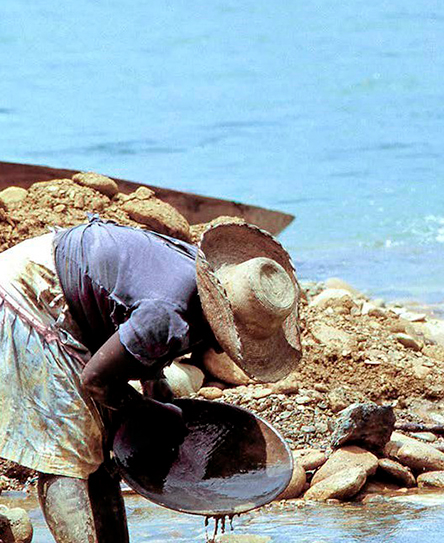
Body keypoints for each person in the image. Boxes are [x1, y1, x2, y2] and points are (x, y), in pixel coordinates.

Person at [0, 215, 302, 542]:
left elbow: (141, 340)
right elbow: (96, 381)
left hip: (67, 282)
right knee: (67, 448)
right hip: (30, 291)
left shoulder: (202, 286)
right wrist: (146, 411)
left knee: (100, 446)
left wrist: (156, 391)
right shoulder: (168, 314)